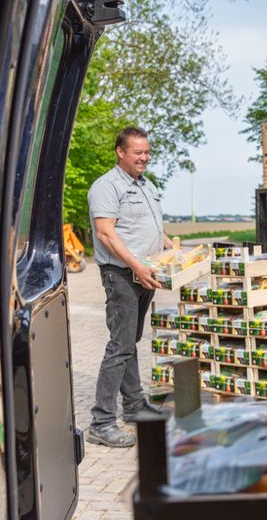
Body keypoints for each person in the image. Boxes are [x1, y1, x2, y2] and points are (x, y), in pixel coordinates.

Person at [86, 126, 172, 447]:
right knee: (119, 346)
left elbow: (150, 227)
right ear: (120, 152)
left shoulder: (146, 185)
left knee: (131, 341)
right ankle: (101, 421)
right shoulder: (106, 187)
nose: (144, 158)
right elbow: (106, 233)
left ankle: (135, 405)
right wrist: (137, 265)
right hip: (122, 274)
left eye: (147, 152)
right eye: (138, 152)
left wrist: (171, 249)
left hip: (144, 274)